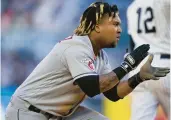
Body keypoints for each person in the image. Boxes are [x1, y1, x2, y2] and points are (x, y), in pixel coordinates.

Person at [5, 2, 169, 120]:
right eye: (115, 24)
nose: (119, 29)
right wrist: (127, 66)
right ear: (97, 27)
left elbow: (112, 93)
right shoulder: (76, 47)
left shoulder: (100, 54)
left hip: (61, 113)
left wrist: (139, 77)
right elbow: (91, 87)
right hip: (29, 111)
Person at [127, 0, 170, 119]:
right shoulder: (165, 2)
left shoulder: (133, 7)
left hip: (140, 68)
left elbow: (132, 44)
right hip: (165, 65)